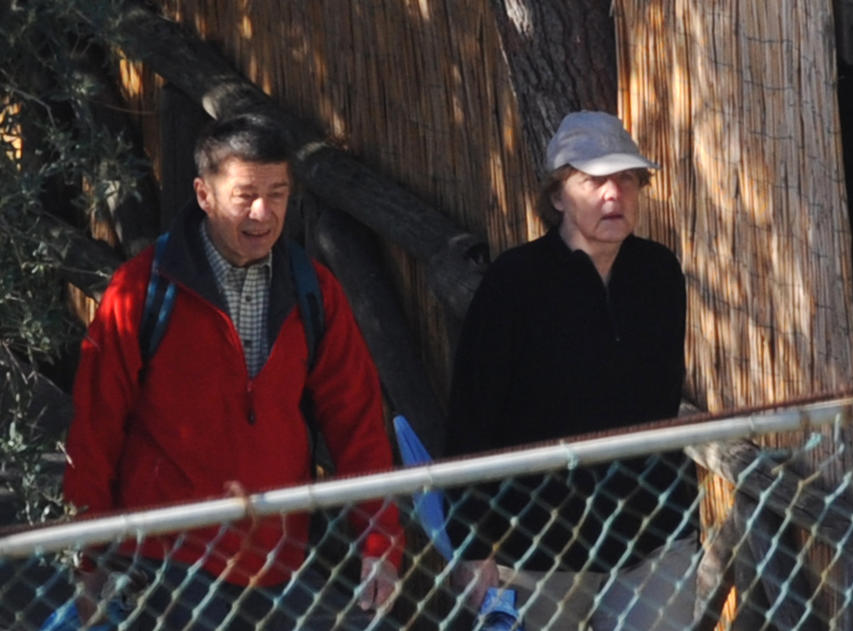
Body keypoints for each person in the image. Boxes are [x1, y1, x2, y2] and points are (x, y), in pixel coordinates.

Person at [61, 114, 404, 629]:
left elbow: (357, 424)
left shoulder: (315, 291)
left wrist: (380, 542)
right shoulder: (142, 290)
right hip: (164, 561)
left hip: (279, 558)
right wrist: (89, 561)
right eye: (245, 195)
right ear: (204, 194)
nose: (262, 213)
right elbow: (95, 428)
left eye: (278, 194)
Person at [446, 111, 699, 630]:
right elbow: (472, 415)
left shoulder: (659, 273)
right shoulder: (514, 282)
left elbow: (660, 395)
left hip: (652, 533)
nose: (614, 195)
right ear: (559, 194)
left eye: (626, 179)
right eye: (595, 180)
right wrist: (473, 545)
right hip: (537, 540)